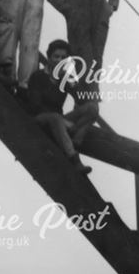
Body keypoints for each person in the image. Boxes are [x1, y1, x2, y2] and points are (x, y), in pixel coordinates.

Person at [24, 39, 99, 174]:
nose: (59, 60)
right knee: (55, 118)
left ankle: (76, 137)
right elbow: (35, 106)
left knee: (92, 108)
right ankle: (74, 158)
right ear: (49, 57)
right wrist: (62, 120)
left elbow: (82, 100)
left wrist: (72, 84)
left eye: (63, 58)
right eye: (56, 56)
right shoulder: (39, 76)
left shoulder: (65, 77)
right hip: (41, 119)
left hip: (59, 120)